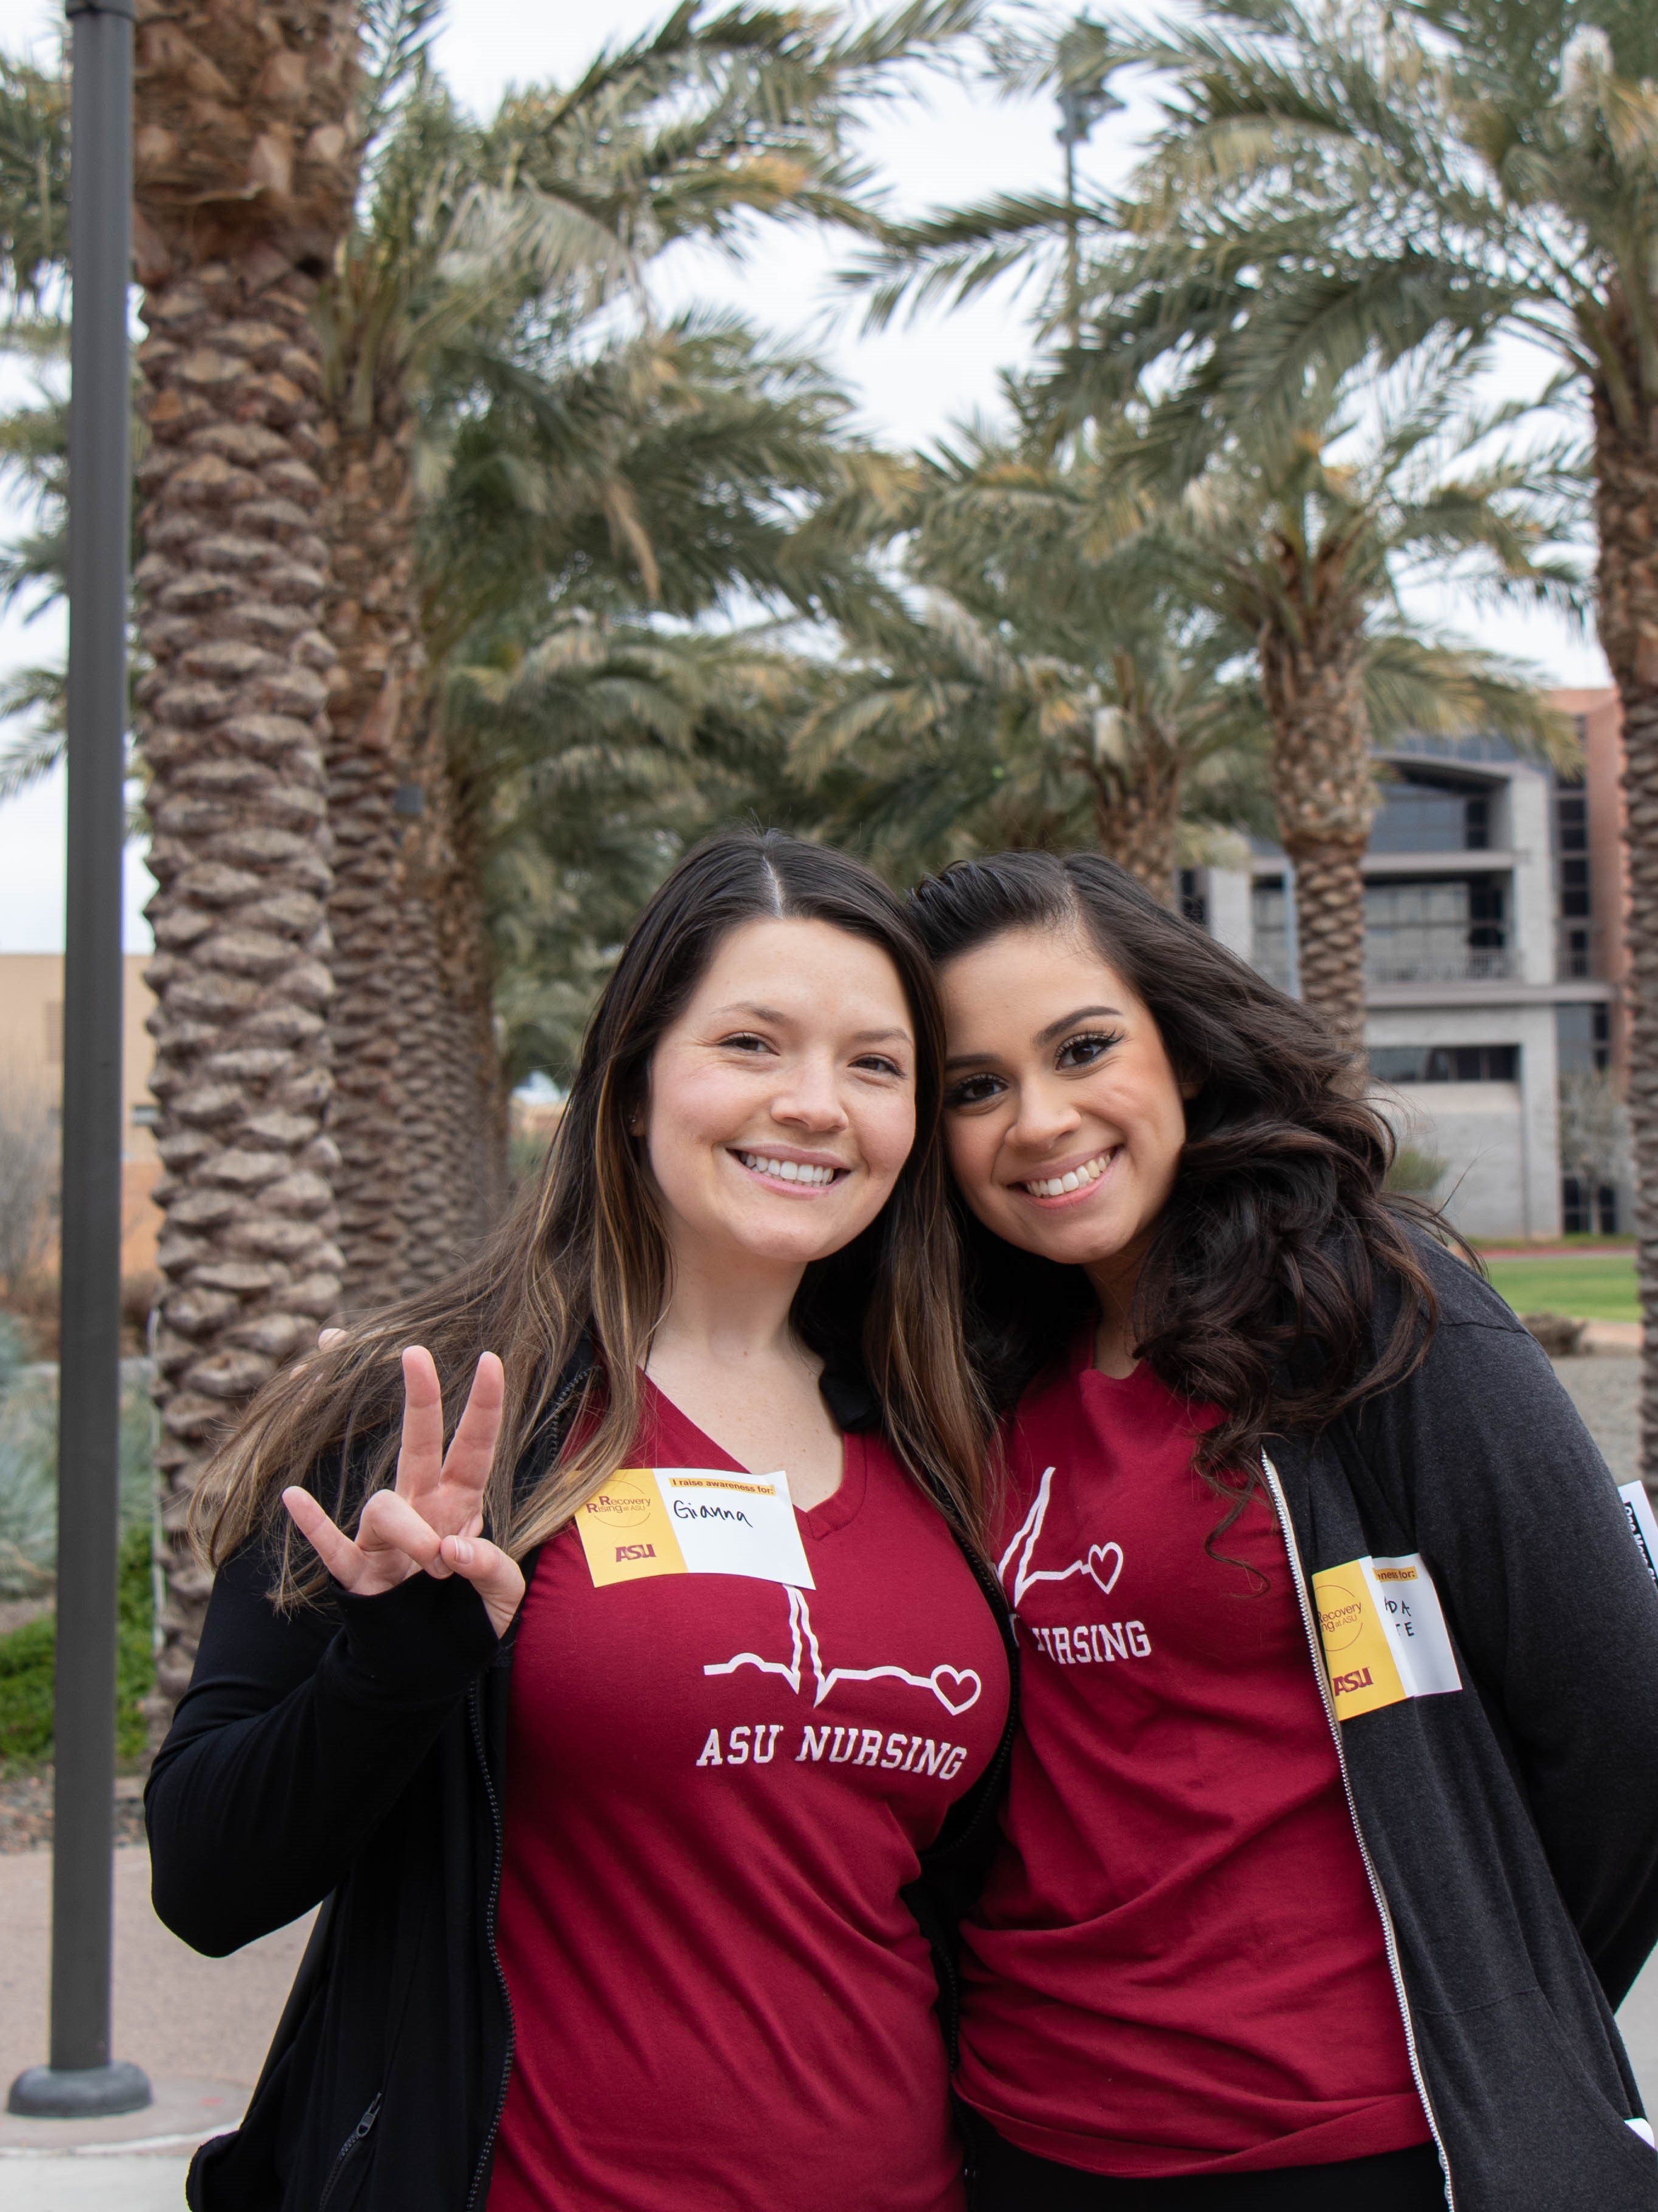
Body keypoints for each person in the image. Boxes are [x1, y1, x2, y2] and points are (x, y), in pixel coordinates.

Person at [148, 832, 1016, 2212]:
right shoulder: (432, 1417)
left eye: (873, 1063)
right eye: (750, 1042)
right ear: (628, 1082)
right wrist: (393, 1665)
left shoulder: (946, 1430)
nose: (814, 1103)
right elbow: (207, 1880)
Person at [908, 851, 1658, 2212]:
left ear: (1184, 1047)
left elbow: (1635, 1736)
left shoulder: (1380, 1314)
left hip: (1364, 2148)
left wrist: (1501, 2013)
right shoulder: (967, 1374)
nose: (1038, 1120)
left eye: (1083, 1048)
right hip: (1031, 2139)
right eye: (974, 1088)